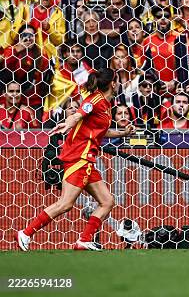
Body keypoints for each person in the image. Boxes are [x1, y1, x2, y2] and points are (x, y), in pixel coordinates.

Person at [16, 68, 136, 252]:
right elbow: (78, 114)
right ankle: (26, 232)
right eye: (118, 80)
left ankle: (84, 240)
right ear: (113, 83)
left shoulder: (106, 104)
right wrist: (68, 123)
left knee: (107, 201)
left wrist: (123, 132)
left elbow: (100, 131)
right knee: (65, 204)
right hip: (79, 157)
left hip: (87, 158)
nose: (119, 83)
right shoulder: (95, 100)